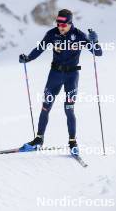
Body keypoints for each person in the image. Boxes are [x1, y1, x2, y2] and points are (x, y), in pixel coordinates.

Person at [19, 9, 102, 155]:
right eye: (58, 23)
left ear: (70, 23)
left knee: (69, 109)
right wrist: (28, 58)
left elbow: (98, 53)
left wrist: (95, 41)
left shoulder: (80, 36)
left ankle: (72, 142)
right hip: (55, 75)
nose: (60, 26)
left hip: (71, 76)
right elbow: (40, 48)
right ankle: (38, 140)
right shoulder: (52, 34)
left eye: (63, 24)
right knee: (46, 107)